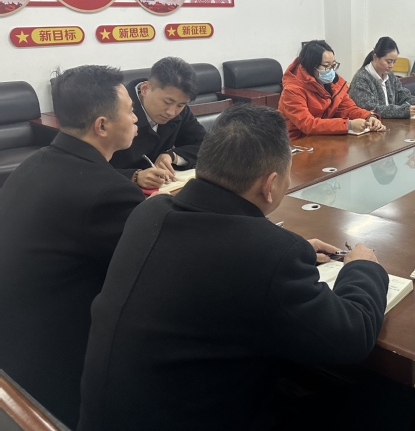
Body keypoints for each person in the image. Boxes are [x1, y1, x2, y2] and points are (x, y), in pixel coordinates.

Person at [78, 104, 390, 431]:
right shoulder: (267, 254)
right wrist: (362, 268)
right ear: (270, 184)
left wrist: (282, 250)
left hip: (105, 418)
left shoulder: (149, 213)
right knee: (382, 401)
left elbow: (218, 260)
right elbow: (353, 336)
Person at [0, 65, 144, 428]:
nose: (135, 118)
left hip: (13, 336)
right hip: (52, 367)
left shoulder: (33, 164)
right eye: (130, 111)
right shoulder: (108, 192)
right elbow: (153, 270)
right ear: (102, 125)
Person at [110, 57, 206, 189]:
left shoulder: (179, 109)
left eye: (181, 105)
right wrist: (134, 176)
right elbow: (91, 167)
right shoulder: (114, 109)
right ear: (145, 89)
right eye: (167, 102)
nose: (171, 112)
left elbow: (206, 145)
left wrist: (172, 155)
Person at [279, 39, 385, 140]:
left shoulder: (334, 84)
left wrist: (369, 117)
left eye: (333, 65)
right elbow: (308, 124)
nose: (331, 71)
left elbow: (348, 108)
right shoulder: (292, 90)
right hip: (298, 143)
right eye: (326, 66)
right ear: (311, 66)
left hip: (323, 138)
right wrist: (348, 125)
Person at [349, 36, 415, 118]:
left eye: (394, 62)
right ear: (375, 57)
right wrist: (402, 111)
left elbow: (403, 96)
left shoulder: (390, 76)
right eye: (388, 61)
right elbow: (370, 109)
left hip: (389, 124)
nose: (391, 65)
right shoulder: (361, 79)